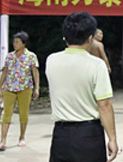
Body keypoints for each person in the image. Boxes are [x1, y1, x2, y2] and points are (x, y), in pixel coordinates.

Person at [46, 12, 118, 162]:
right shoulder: (97, 65)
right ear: (90, 38)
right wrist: (112, 138)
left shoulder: (51, 60)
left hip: (61, 135)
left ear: (65, 37)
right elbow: (104, 105)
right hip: (89, 134)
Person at [0, 32, 40, 151]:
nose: (14, 44)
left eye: (17, 42)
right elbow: (5, 72)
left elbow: (35, 72)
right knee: (7, 114)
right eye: (14, 42)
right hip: (9, 87)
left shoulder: (31, 56)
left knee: (23, 113)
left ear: (24, 43)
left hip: (25, 88)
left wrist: (37, 88)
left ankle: (22, 137)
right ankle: (2, 141)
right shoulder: (9, 56)